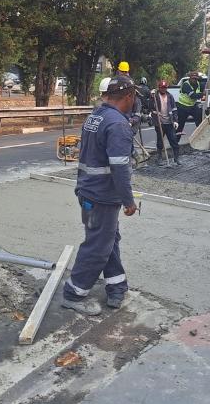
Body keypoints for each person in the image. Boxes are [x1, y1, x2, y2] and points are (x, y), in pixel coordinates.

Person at [63, 75, 139, 315]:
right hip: (102, 196)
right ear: (128, 97)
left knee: (108, 241)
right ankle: (73, 294)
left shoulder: (96, 116)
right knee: (97, 246)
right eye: (134, 97)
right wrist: (128, 200)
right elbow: (119, 167)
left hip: (88, 192)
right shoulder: (117, 124)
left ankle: (116, 287)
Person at [149, 79, 181, 166]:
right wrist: (151, 97)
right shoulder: (155, 96)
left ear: (167, 88)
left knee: (174, 141)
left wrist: (175, 121)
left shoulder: (170, 96)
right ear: (159, 88)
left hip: (169, 123)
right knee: (160, 142)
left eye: (165, 88)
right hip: (159, 123)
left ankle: (176, 158)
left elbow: (174, 109)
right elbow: (150, 106)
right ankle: (159, 158)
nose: (163, 89)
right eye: (162, 88)